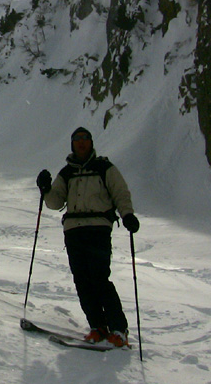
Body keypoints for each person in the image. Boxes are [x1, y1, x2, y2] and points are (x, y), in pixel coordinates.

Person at [36, 127, 140, 348]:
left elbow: (120, 192)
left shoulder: (104, 168)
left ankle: (118, 329)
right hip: (74, 231)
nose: (81, 143)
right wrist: (45, 189)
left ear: (91, 143)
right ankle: (98, 326)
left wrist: (127, 214)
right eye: (77, 140)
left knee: (99, 279)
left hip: (98, 229)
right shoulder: (67, 173)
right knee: (82, 281)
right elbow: (55, 202)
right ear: (72, 144)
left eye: (85, 139)